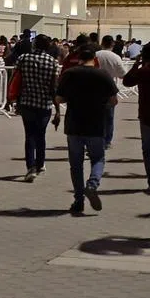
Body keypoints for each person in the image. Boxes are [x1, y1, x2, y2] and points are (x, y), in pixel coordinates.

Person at [55, 45, 118, 215]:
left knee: (76, 165)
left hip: (74, 124)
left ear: (79, 59)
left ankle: (78, 200)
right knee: (97, 158)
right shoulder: (102, 74)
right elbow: (114, 101)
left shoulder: (70, 74)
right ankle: (92, 184)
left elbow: (59, 98)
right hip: (95, 124)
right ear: (95, 59)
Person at [7, 34, 59, 181]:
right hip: (44, 104)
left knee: (29, 135)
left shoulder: (23, 58)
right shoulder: (52, 62)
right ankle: (40, 163)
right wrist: (58, 110)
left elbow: (15, 78)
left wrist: (9, 97)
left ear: (35, 45)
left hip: (27, 103)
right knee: (40, 135)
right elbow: (53, 87)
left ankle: (31, 168)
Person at [122, 42, 150, 194]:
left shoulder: (143, 71)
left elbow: (126, 81)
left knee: (148, 150)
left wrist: (136, 65)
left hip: (146, 114)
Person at [94, 35, 127, 149]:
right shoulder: (116, 57)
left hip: (95, 89)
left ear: (102, 43)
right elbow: (122, 75)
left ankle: (97, 138)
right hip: (110, 89)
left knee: (96, 116)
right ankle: (107, 140)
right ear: (112, 44)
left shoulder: (95, 55)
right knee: (109, 117)